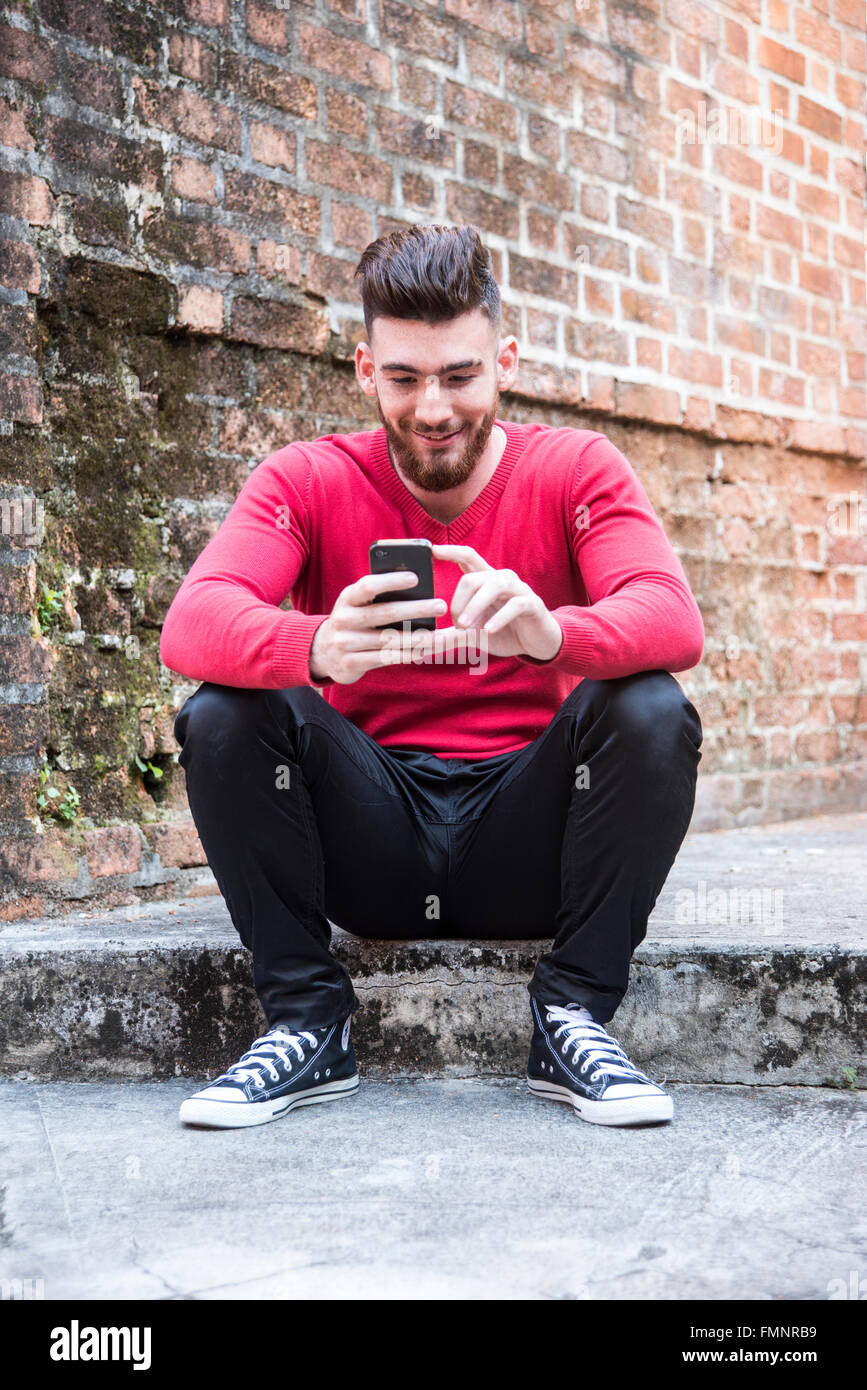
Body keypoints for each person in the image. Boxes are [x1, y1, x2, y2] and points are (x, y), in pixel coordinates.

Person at [161, 223, 704, 1131]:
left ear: (504, 363)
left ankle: (571, 1012)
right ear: (366, 370)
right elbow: (194, 622)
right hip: (365, 837)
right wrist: (315, 647)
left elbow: (670, 618)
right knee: (222, 711)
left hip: (528, 841)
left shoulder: (576, 470)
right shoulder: (305, 479)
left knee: (650, 704)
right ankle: (307, 1022)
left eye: (459, 375)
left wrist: (551, 634)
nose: (433, 408)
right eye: (406, 378)